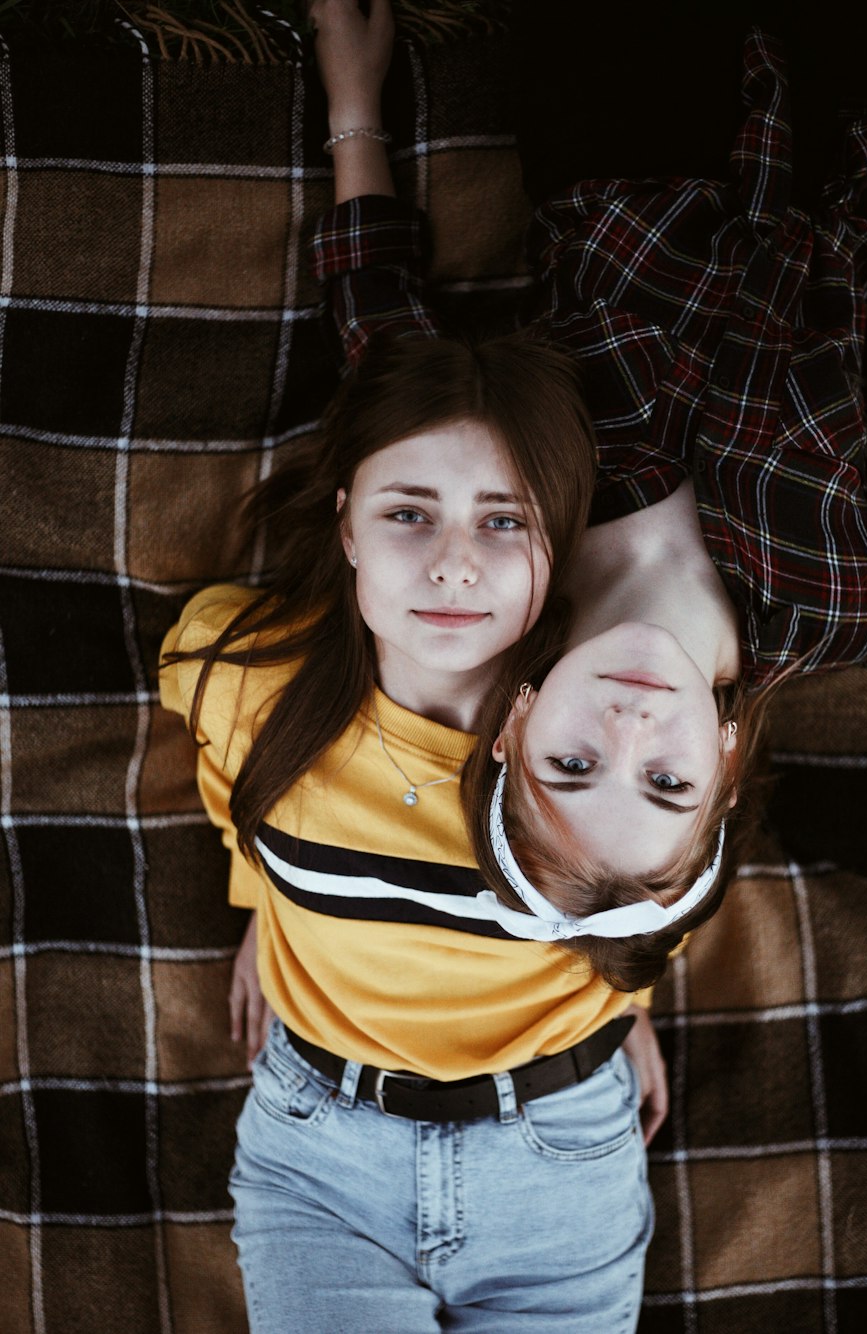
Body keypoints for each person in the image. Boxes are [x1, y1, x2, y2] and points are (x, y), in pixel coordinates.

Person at [309, 0, 867, 992]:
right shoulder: (850, 609)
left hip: (621, 122)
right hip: (845, 148)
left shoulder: (514, 540)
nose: (627, 732)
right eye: (665, 783)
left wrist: (353, 107)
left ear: (515, 725)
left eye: (572, 766)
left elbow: (388, 349)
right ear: (722, 770)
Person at [158, 7, 672, 1324]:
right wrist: (267, 903)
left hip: (561, 1151)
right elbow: (232, 784)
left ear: (558, 555)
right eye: (409, 516)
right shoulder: (236, 666)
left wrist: (631, 994)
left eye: (506, 523)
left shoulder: (600, 711)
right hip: (321, 1152)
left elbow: (647, 857)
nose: (454, 562)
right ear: (343, 524)